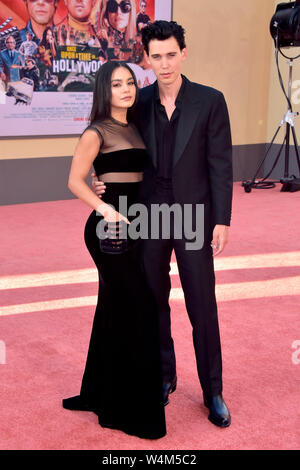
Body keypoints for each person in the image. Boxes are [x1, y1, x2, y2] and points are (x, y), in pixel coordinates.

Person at [93, 21, 233, 428]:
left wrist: (221, 220)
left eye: (171, 54)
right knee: (152, 301)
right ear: (147, 59)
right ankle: (163, 376)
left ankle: (213, 391)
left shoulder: (210, 101)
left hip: (193, 218)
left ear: (183, 53)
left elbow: (221, 166)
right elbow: (112, 141)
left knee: (201, 306)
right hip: (149, 216)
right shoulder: (139, 102)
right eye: (156, 56)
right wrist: (100, 177)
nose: (165, 63)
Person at [62, 61, 166, 440]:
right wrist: (104, 206)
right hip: (108, 229)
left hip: (136, 225)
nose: (126, 89)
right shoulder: (96, 131)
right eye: (117, 84)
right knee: (139, 307)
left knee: (112, 306)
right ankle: (128, 411)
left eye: (130, 83)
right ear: (104, 90)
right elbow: (75, 180)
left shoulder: (135, 126)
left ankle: (96, 392)